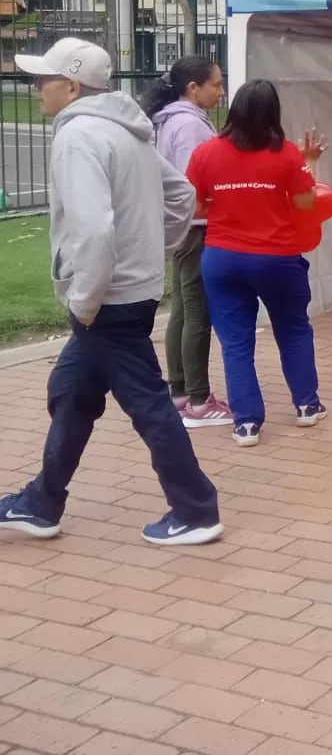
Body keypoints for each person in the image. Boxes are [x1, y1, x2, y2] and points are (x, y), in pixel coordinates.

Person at [0, 38, 223, 546]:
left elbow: (94, 231)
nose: (37, 89)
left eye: (44, 80)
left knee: (148, 405)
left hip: (106, 301)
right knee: (71, 392)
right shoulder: (128, 130)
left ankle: (196, 509)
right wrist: (155, 250)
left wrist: (85, 300)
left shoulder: (80, 137)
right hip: (129, 292)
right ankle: (41, 502)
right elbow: (182, 195)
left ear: (72, 85)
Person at [185, 79, 329, 447]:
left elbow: (196, 206)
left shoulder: (205, 153)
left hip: (222, 258)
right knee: (294, 330)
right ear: (273, 113)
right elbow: (306, 204)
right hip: (277, 258)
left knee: (235, 342)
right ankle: (306, 407)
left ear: (233, 109)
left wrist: (226, 202)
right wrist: (309, 162)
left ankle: (246, 424)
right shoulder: (286, 155)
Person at [143, 55, 231, 428]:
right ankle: (198, 398)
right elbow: (192, 183)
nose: (221, 90)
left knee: (183, 308)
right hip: (194, 227)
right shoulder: (189, 127)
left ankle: (180, 391)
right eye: (216, 83)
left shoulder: (176, 121)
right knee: (197, 311)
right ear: (193, 88)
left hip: (185, 226)